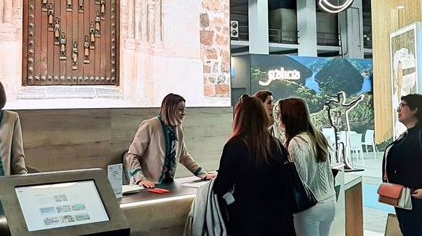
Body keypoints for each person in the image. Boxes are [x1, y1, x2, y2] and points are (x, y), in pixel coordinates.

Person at [213, 94, 296, 236]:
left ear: (239, 117)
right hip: (279, 219)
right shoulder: (275, 144)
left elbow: (221, 187)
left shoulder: (235, 146)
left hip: (247, 220)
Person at [383, 94, 422, 236]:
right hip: (403, 198)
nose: (398, 110)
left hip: (419, 201)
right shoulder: (408, 135)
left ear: (415, 110)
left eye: (402, 106)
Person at [126, 93, 213, 188]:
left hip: (167, 185)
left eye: (184, 109)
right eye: (180, 109)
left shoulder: (178, 129)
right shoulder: (150, 125)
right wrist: (141, 179)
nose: (184, 113)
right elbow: (132, 155)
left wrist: (203, 174)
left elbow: (184, 156)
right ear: (169, 109)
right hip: (145, 186)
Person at [279, 97, 336, 236]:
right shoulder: (317, 136)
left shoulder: (296, 143)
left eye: (280, 114)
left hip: (310, 207)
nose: (278, 118)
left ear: (288, 117)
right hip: (330, 201)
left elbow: (301, 181)